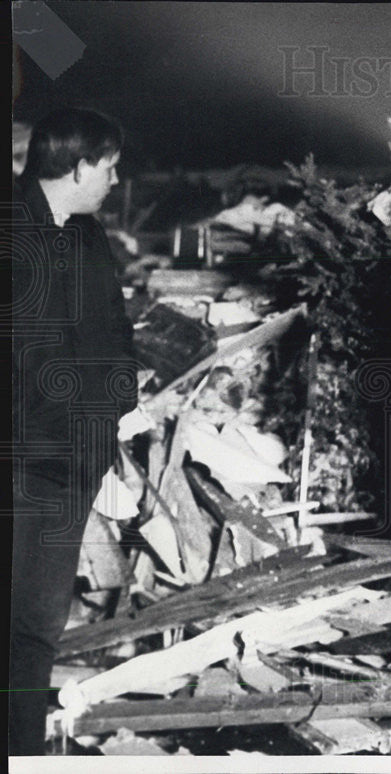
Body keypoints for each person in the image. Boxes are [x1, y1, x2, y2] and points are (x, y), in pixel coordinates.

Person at [9, 108, 137, 754]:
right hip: (24, 462)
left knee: (37, 626)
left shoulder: (88, 238)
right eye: (109, 166)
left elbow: (115, 335)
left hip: (74, 462)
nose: (115, 178)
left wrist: (114, 425)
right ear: (78, 165)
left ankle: (21, 755)